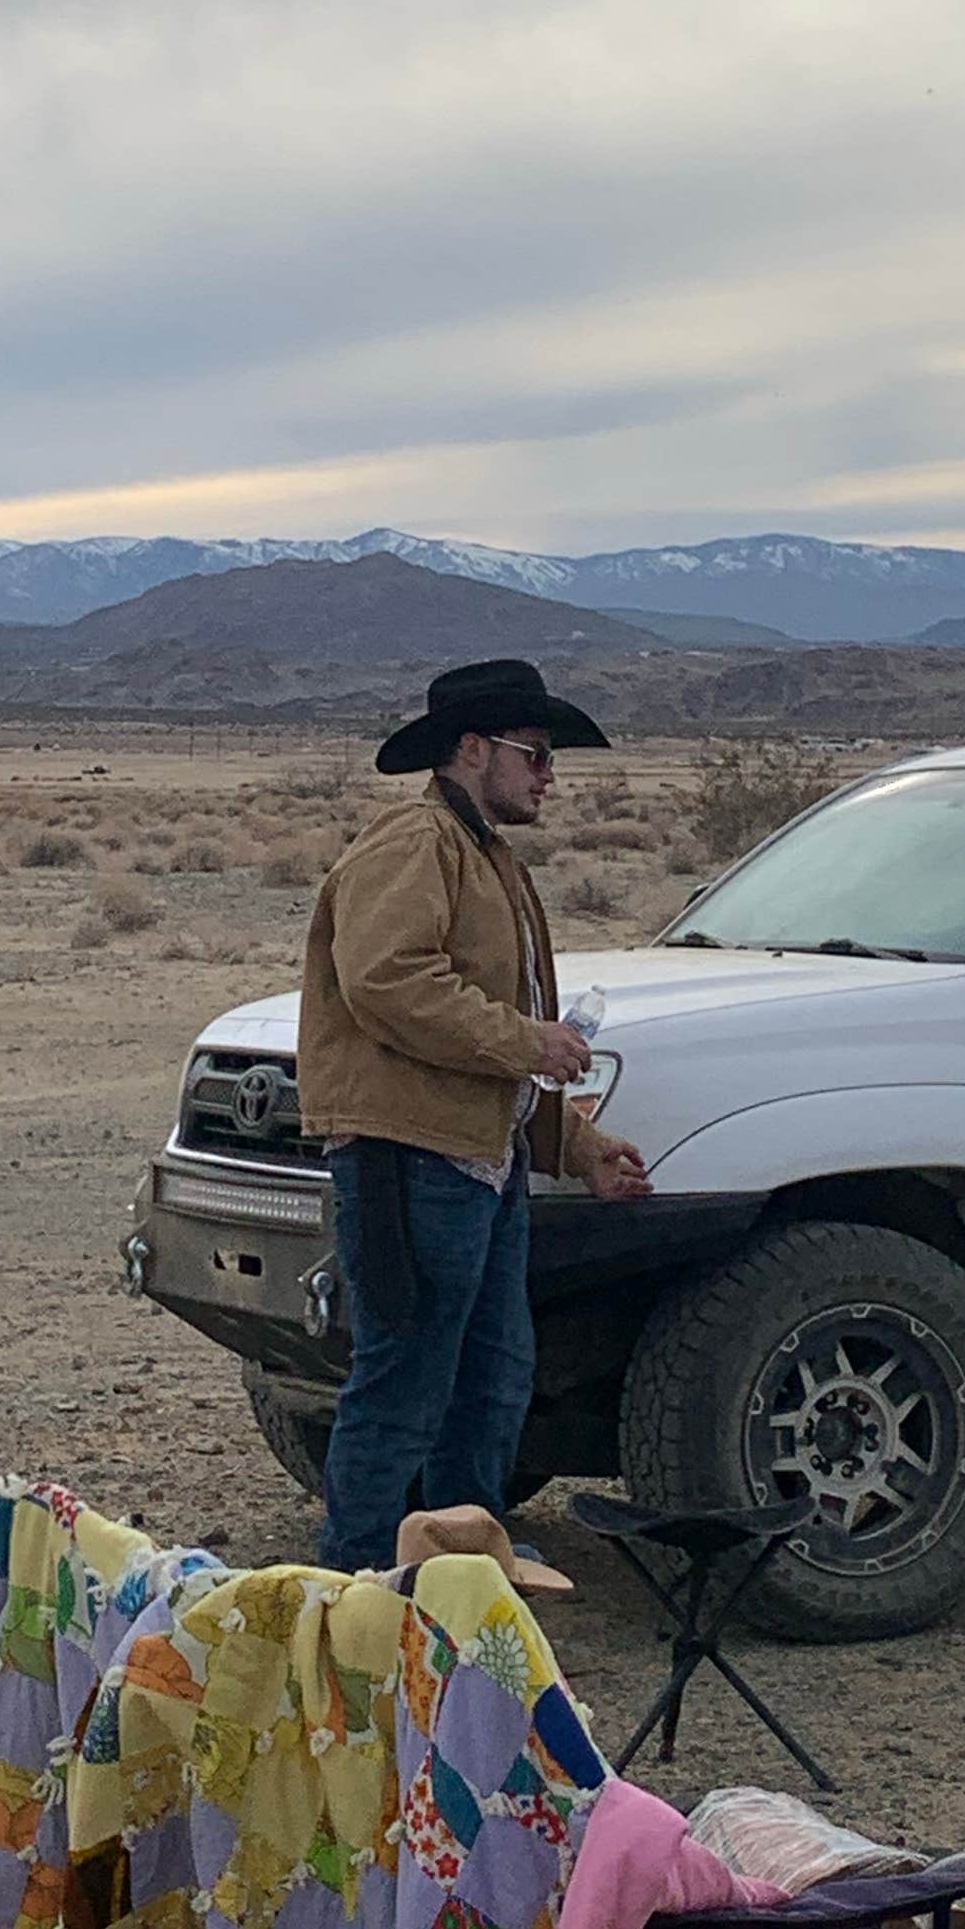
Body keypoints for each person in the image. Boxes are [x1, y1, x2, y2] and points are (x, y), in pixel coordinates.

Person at [297, 656, 652, 1578]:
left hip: (469, 1160)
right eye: (533, 753)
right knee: (406, 1380)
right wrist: (525, 1044)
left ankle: (457, 1568)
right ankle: (358, 1585)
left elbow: (497, 1031)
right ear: (470, 750)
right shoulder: (416, 843)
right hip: (410, 1158)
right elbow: (388, 979)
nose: (547, 775)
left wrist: (578, 1147)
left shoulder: (483, 855)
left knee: (487, 1383)